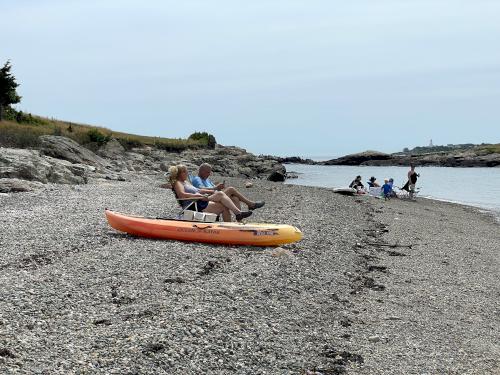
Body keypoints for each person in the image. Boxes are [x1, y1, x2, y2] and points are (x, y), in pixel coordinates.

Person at [168, 164, 252, 222]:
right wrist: (196, 195)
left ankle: (236, 218)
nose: (187, 173)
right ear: (180, 173)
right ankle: (238, 215)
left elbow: (199, 190)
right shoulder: (178, 183)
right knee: (222, 198)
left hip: (199, 201)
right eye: (185, 172)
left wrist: (212, 191)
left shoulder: (186, 182)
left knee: (222, 199)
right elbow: (181, 195)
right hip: (193, 205)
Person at [191, 163, 265, 211]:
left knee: (235, 198)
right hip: (208, 200)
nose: (209, 174)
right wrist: (215, 188)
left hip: (216, 196)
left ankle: (239, 220)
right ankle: (250, 204)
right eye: (208, 172)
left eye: (210, 172)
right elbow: (200, 188)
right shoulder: (197, 179)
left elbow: (215, 189)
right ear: (201, 171)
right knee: (231, 189)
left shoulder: (207, 180)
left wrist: (218, 187)